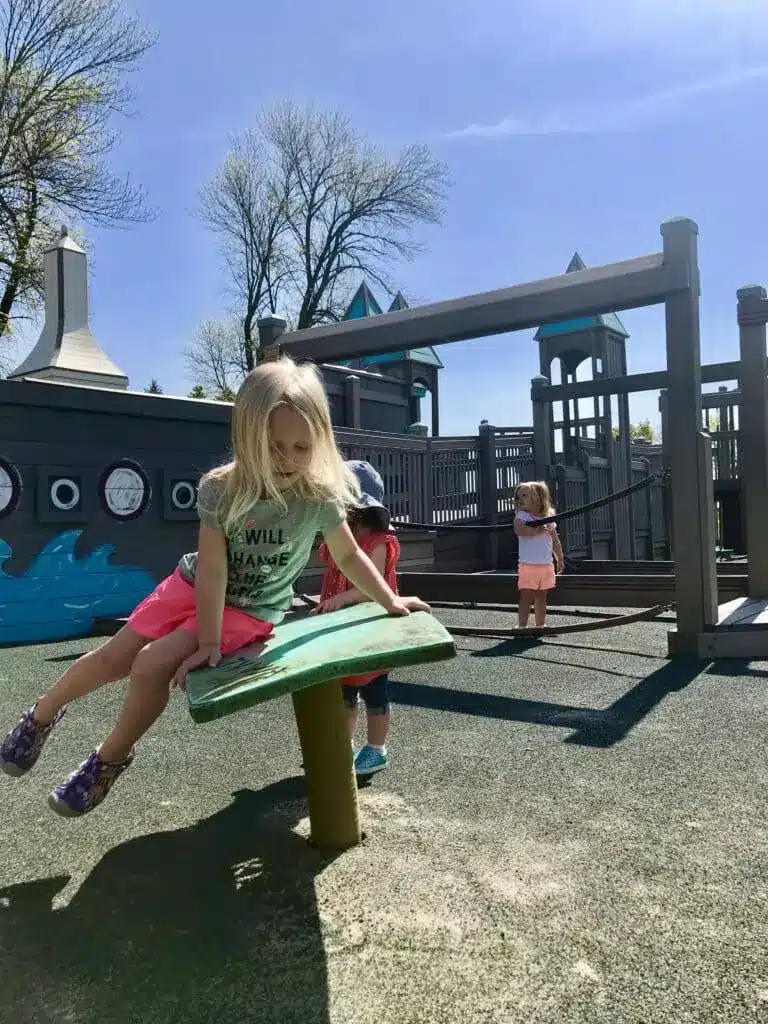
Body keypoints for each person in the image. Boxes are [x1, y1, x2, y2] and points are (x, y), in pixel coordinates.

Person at [0, 357, 429, 817]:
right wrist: (206, 637)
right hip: (193, 583)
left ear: (319, 441)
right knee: (113, 657)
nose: (287, 458)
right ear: (247, 436)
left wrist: (389, 597)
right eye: (273, 446)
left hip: (249, 609)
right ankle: (43, 713)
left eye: (301, 446)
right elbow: (211, 570)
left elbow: (349, 555)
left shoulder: (318, 495)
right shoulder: (222, 489)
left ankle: (108, 759)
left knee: (150, 664)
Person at [312, 460, 399, 777]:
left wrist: (338, 600)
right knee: (344, 692)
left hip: (371, 629)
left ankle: (376, 750)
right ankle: (343, 745)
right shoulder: (341, 537)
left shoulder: (379, 542)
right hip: (341, 632)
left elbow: (371, 586)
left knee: (375, 691)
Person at [513, 480, 564, 629]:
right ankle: (522, 625)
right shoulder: (522, 516)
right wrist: (537, 530)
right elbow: (519, 530)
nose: (520, 499)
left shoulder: (547, 518)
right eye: (518, 496)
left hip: (545, 565)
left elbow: (555, 540)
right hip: (528, 565)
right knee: (527, 596)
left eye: (524, 495)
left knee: (542, 596)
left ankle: (540, 624)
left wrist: (559, 557)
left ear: (537, 498)